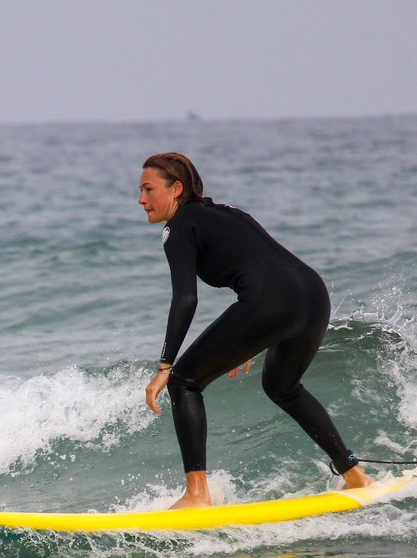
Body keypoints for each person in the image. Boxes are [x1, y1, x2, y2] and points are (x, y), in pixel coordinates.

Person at [139, 152, 372, 509]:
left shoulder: (179, 227)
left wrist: (164, 367)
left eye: (148, 189)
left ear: (177, 189)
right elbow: (260, 266)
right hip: (312, 295)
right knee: (283, 387)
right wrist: (249, 338)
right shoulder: (227, 212)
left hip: (270, 302)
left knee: (184, 381)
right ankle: (355, 475)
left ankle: (197, 494)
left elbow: (186, 298)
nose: (141, 200)